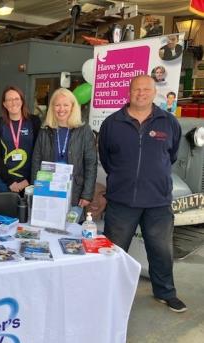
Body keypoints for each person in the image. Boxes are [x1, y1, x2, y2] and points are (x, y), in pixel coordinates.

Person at [98, 75, 186, 313]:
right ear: (129, 91)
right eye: (137, 89)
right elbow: (107, 158)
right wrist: (122, 179)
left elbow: (172, 155)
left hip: (157, 200)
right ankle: (108, 293)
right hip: (121, 201)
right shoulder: (112, 123)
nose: (141, 93)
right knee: (114, 252)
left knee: (161, 251)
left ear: (154, 92)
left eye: (146, 89)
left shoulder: (168, 122)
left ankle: (165, 292)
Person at [31, 88, 97, 207]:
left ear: (73, 107)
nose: (61, 109)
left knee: (72, 224)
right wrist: (36, 188)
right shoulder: (45, 130)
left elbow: (91, 164)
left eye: (66, 105)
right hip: (47, 188)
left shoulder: (84, 130)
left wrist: (87, 194)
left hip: (75, 190)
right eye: (57, 105)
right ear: (52, 107)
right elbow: (36, 160)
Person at [0, 86, 41, 193]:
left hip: (29, 182)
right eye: (9, 100)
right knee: (4, 210)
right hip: (4, 182)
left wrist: (28, 180)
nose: (13, 103)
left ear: (22, 101)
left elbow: (39, 153)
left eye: (16, 99)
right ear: (4, 104)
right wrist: (9, 181)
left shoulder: (34, 121)